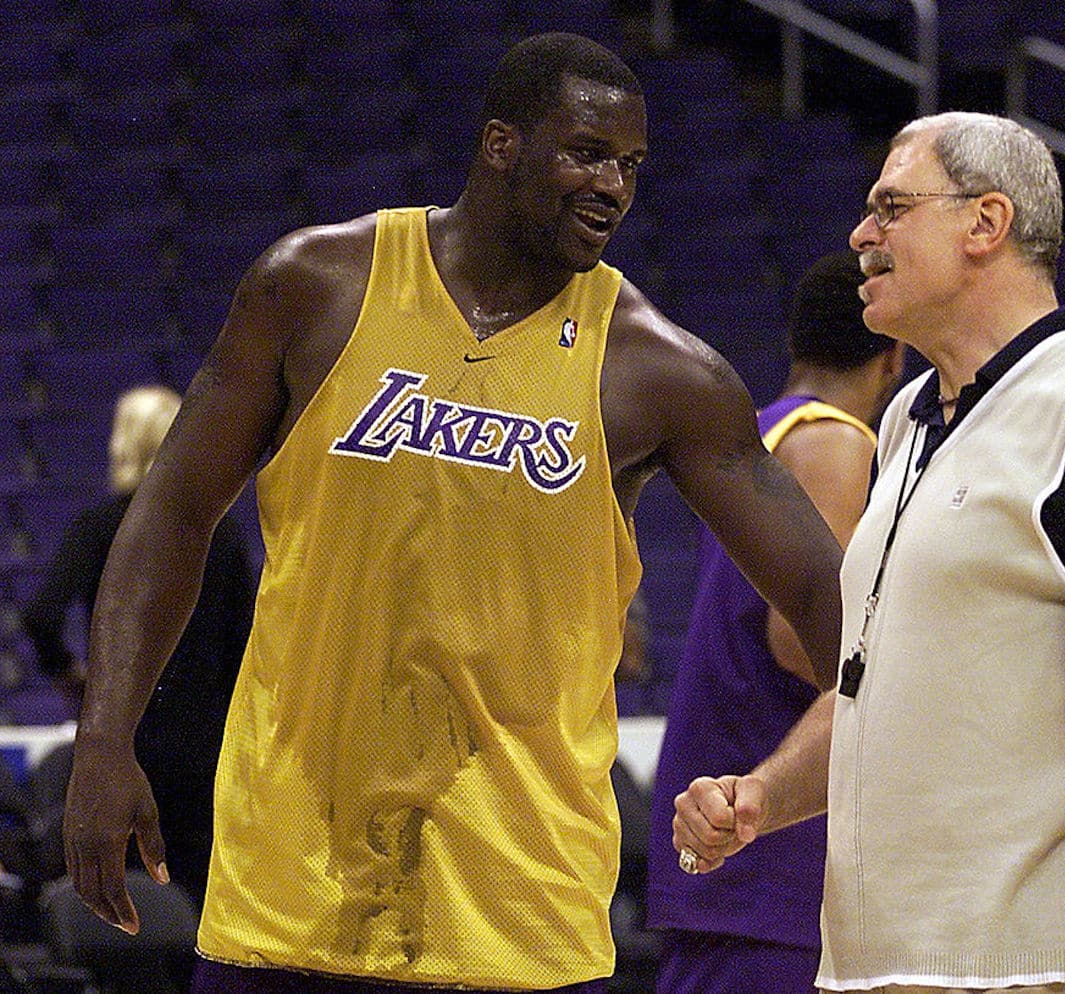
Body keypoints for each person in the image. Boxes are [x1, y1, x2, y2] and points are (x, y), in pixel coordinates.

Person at [62, 33, 846, 994]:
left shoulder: (660, 373)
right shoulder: (315, 286)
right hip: (285, 893)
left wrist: (826, 770)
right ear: (501, 145)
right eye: (586, 152)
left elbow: (829, 597)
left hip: (521, 916)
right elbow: (173, 513)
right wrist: (104, 739)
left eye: (630, 165)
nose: (613, 186)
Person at [672, 111, 1065, 994]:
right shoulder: (904, 417)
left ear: (986, 223)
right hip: (875, 966)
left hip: (1036, 972)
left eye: (891, 207)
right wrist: (765, 798)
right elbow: (868, 685)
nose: (861, 234)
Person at [646, 251, 902, 994]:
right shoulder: (835, 438)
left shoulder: (760, 429)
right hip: (772, 821)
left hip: (727, 800)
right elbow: (807, 645)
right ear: (893, 355)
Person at [21, 384, 254, 909]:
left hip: (123, 742)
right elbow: (248, 644)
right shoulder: (221, 536)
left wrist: (72, 679)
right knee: (201, 907)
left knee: (123, 906)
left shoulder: (102, 526)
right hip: (207, 751)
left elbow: (40, 614)